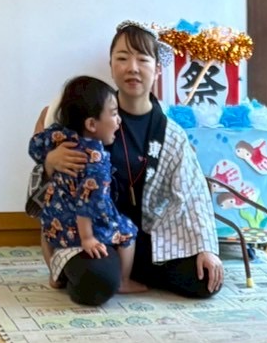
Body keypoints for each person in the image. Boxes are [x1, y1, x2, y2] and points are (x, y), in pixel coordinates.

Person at [27, 23, 223, 307]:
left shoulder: (170, 133)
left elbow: (193, 194)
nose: (132, 67)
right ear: (111, 65)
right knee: (95, 286)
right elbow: (48, 170)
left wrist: (206, 248)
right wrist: (49, 162)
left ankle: (126, 271)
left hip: (145, 236)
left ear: (157, 69)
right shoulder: (91, 118)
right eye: (122, 58)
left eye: (142, 59)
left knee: (205, 279)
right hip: (93, 232)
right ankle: (97, 270)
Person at [29, 77, 140, 299]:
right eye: (114, 113)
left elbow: (34, 146)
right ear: (91, 124)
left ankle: (54, 276)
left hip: (55, 223)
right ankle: (124, 281)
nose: (119, 121)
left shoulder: (58, 135)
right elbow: (88, 204)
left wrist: (47, 157)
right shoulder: (96, 161)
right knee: (128, 230)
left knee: (45, 230)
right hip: (85, 228)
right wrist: (87, 237)